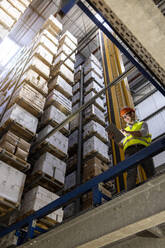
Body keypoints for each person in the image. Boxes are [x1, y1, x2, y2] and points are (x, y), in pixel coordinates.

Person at [108, 106, 155, 191]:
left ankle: (156, 187)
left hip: (143, 149)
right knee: (131, 173)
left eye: (126, 115)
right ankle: (129, 193)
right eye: (124, 117)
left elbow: (142, 133)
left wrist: (128, 133)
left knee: (150, 170)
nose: (125, 118)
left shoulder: (142, 124)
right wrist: (114, 139)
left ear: (132, 113)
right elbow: (122, 146)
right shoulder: (124, 131)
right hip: (129, 152)